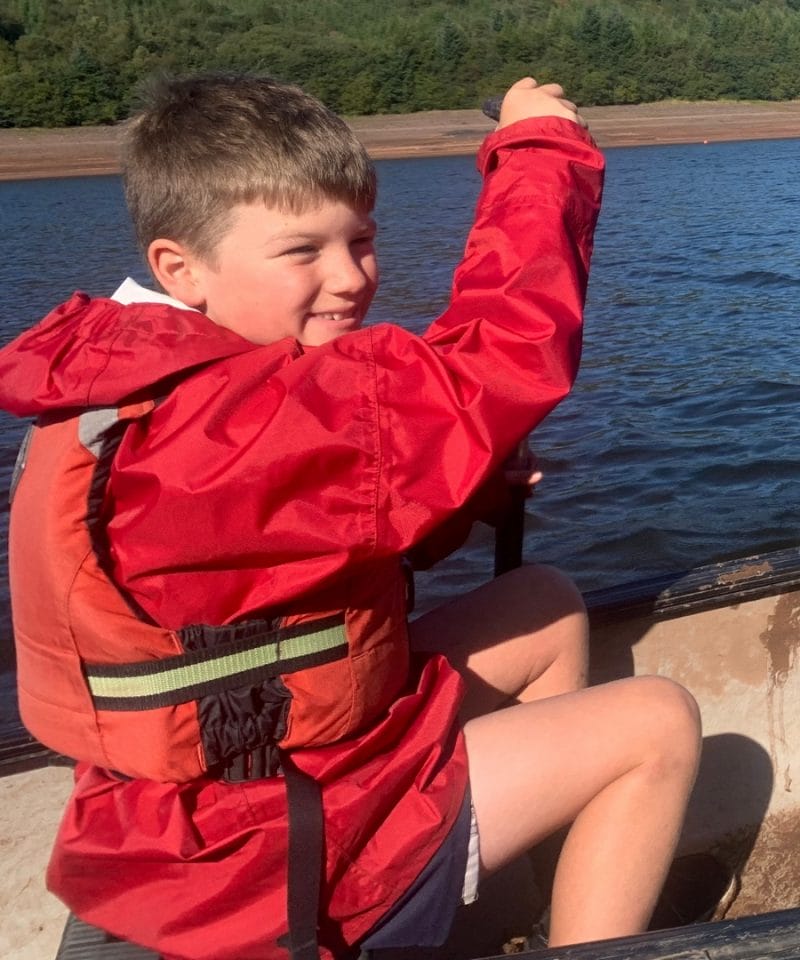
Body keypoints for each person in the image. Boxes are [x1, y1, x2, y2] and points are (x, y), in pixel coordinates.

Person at [0, 73, 701, 960]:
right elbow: (505, 352)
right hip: (267, 854)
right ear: (183, 267)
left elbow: (290, 553)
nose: (351, 278)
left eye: (361, 239)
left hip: (247, 781)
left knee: (546, 603)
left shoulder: (135, 387)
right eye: (303, 252)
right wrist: (539, 151)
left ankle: (509, 919)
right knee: (659, 722)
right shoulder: (225, 424)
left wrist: (466, 486)